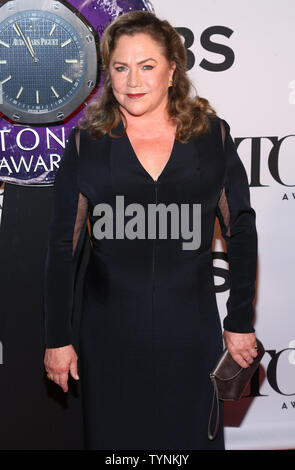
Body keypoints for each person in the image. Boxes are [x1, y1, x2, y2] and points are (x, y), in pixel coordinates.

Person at [43, 10, 258, 450]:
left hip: (191, 332)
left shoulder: (211, 137)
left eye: (147, 66)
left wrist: (239, 321)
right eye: (120, 68)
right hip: (109, 336)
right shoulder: (88, 144)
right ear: (109, 74)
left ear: (172, 70)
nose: (132, 81)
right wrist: (57, 340)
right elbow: (63, 247)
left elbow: (241, 231)